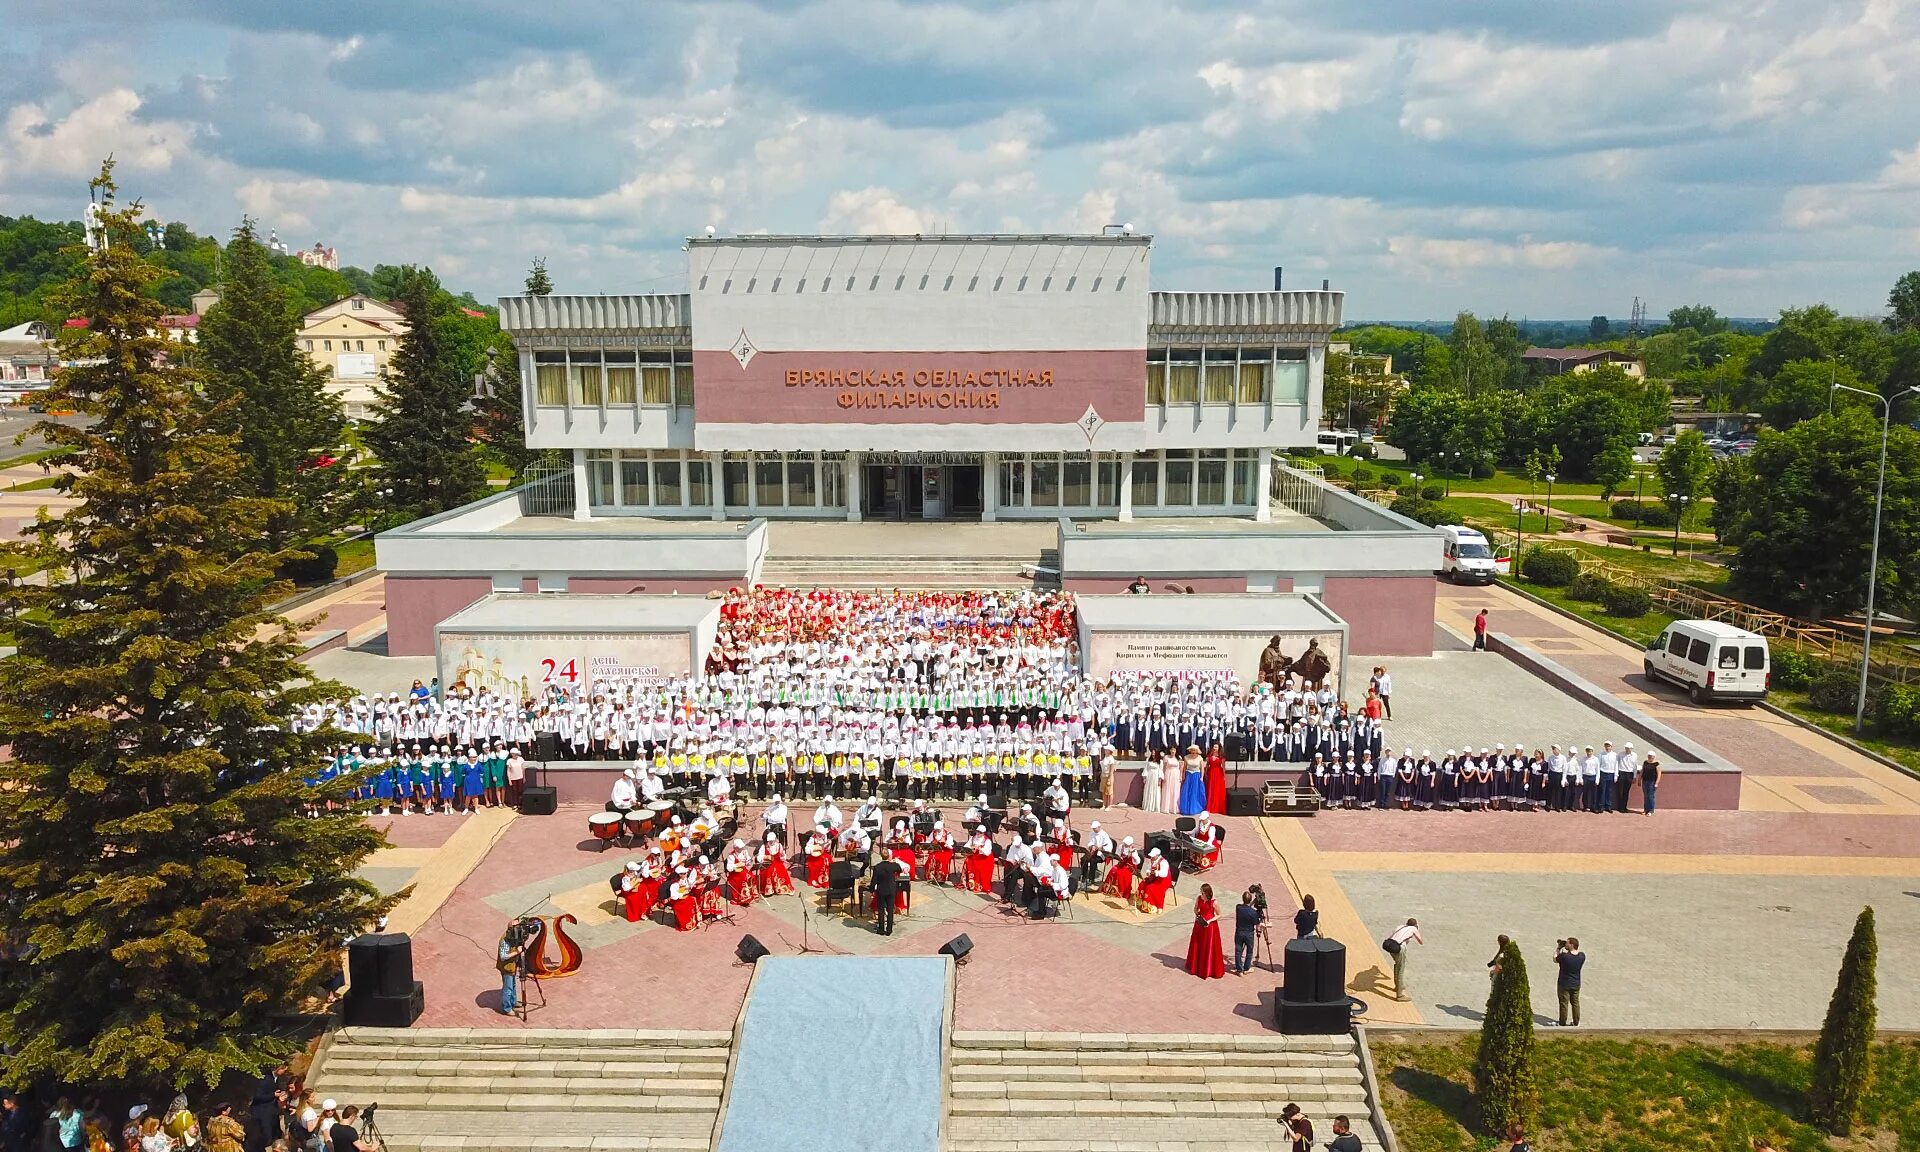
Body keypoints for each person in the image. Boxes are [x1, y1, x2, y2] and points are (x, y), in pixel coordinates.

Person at [1184, 883, 1225, 978]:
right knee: (1197, 945)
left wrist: (1210, 921)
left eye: (1203, 892)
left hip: (1209, 927)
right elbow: (1195, 908)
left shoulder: (1214, 902)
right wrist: (1196, 913)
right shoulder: (1199, 899)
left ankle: (1207, 969)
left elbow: (1219, 914)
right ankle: (1196, 966)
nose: (1201, 894)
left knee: (1208, 947)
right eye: (1201, 892)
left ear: (1207, 893)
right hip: (1199, 925)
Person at [1384, 918, 1422, 1001]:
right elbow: (1420, 941)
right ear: (1416, 925)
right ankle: (1400, 995)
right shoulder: (1414, 929)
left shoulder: (1400, 926)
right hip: (1399, 948)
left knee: (1397, 965)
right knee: (1401, 969)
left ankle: (1397, 986)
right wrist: (1415, 931)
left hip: (1390, 946)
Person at [1554, 936, 1585, 1026]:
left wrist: (1559, 948)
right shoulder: (1582, 956)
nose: (1566, 944)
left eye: (1567, 943)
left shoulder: (1564, 957)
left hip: (1564, 984)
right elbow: (1576, 954)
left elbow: (1555, 959)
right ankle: (1576, 1022)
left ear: (1571, 945)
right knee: (1575, 1003)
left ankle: (1562, 1022)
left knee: (1564, 1003)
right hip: (1576, 983)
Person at [870, 855, 904, 936]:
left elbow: (874, 880)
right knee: (890, 910)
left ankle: (881, 929)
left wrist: (871, 890)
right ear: (888, 857)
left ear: (881, 856)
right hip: (891, 890)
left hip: (881, 891)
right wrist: (893, 861)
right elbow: (899, 868)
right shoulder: (892, 866)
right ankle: (889, 930)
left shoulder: (877, 867)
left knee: (881, 910)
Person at [1233, 889, 1262, 975]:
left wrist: (1252, 902)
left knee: (1238, 950)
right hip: (1249, 933)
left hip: (1239, 932)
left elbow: (1246, 907)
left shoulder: (1238, 907)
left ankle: (1239, 969)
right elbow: (1257, 924)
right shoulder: (1253, 913)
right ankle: (1246, 968)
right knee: (1249, 951)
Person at [1204, 741, 1228, 814]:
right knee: (1211, 789)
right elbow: (1207, 766)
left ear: (1219, 748)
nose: (1215, 748)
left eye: (1216, 747)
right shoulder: (1209, 755)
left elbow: (1223, 768)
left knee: (1217, 790)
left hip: (1218, 774)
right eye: (1214, 747)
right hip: (1211, 773)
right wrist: (1205, 774)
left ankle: (1217, 808)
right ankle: (1210, 806)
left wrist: (1224, 776)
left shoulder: (1221, 757)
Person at [1640, 751, 1661, 815]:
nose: (1650, 757)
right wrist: (1639, 779)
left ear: (1654, 757)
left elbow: (1659, 774)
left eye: (1651, 756)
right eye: (1649, 756)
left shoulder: (1656, 764)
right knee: (1646, 796)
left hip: (1652, 782)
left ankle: (1651, 810)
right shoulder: (1645, 762)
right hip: (1645, 781)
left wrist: (1657, 783)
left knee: (1651, 796)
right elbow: (1642, 771)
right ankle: (1646, 809)